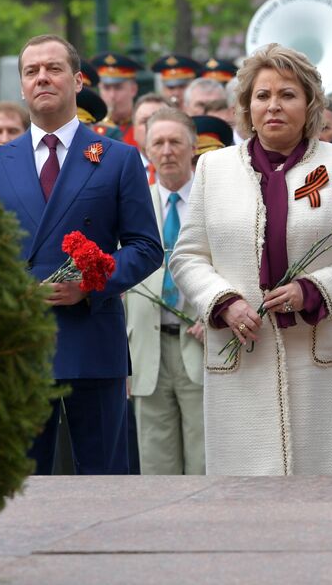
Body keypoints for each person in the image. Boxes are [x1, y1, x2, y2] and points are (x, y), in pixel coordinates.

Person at [169, 44, 332, 475]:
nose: (274, 106)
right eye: (262, 96)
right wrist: (224, 302)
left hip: (316, 354)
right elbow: (188, 257)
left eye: (287, 94)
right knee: (240, 494)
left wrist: (313, 289)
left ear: (310, 104)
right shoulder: (214, 169)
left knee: (319, 489)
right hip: (242, 353)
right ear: (246, 107)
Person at [0, 34, 161, 474]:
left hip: (93, 339)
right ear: (21, 87)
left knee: (104, 479)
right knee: (22, 485)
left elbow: (146, 247)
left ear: (77, 80)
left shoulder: (117, 159)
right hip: (21, 345)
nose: (42, 77)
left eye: (53, 68)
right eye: (31, 71)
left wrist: (92, 284)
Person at [126, 108, 205, 475]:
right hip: (147, 351)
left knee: (206, 462)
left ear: (193, 147)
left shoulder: (212, 202)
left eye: (176, 142)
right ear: (147, 150)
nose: (167, 150)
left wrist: (217, 309)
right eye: (159, 142)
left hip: (202, 346)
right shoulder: (130, 204)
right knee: (155, 468)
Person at [86, 53, 142, 143]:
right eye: (106, 88)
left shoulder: (142, 128)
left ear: (133, 89)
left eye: (118, 88)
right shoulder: (90, 128)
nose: (112, 95)